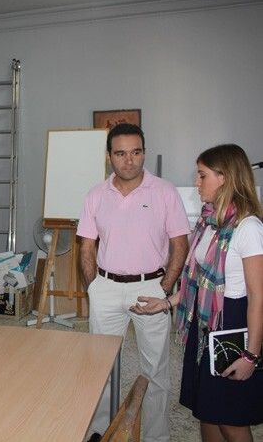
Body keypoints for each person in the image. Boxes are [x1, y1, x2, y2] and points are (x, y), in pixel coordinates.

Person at [131, 144, 263, 442]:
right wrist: (166, 303)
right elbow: (198, 282)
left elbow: (258, 298)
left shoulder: (248, 228)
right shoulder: (209, 222)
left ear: (224, 178)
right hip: (205, 325)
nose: (196, 182)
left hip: (232, 325)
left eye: (202, 175)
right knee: (207, 411)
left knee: (231, 419)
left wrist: (251, 356)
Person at [77, 123, 190, 442]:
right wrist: (93, 288)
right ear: (109, 157)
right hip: (106, 287)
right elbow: (86, 245)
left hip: (151, 288)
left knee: (155, 369)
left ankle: (155, 436)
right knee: (101, 366)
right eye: (121, 154)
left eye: (136, 152)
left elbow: (180, 244)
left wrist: (164, 289)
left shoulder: (164, 191)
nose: (129, 161)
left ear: (144, 153)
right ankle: (100, 430)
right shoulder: (96, 195)